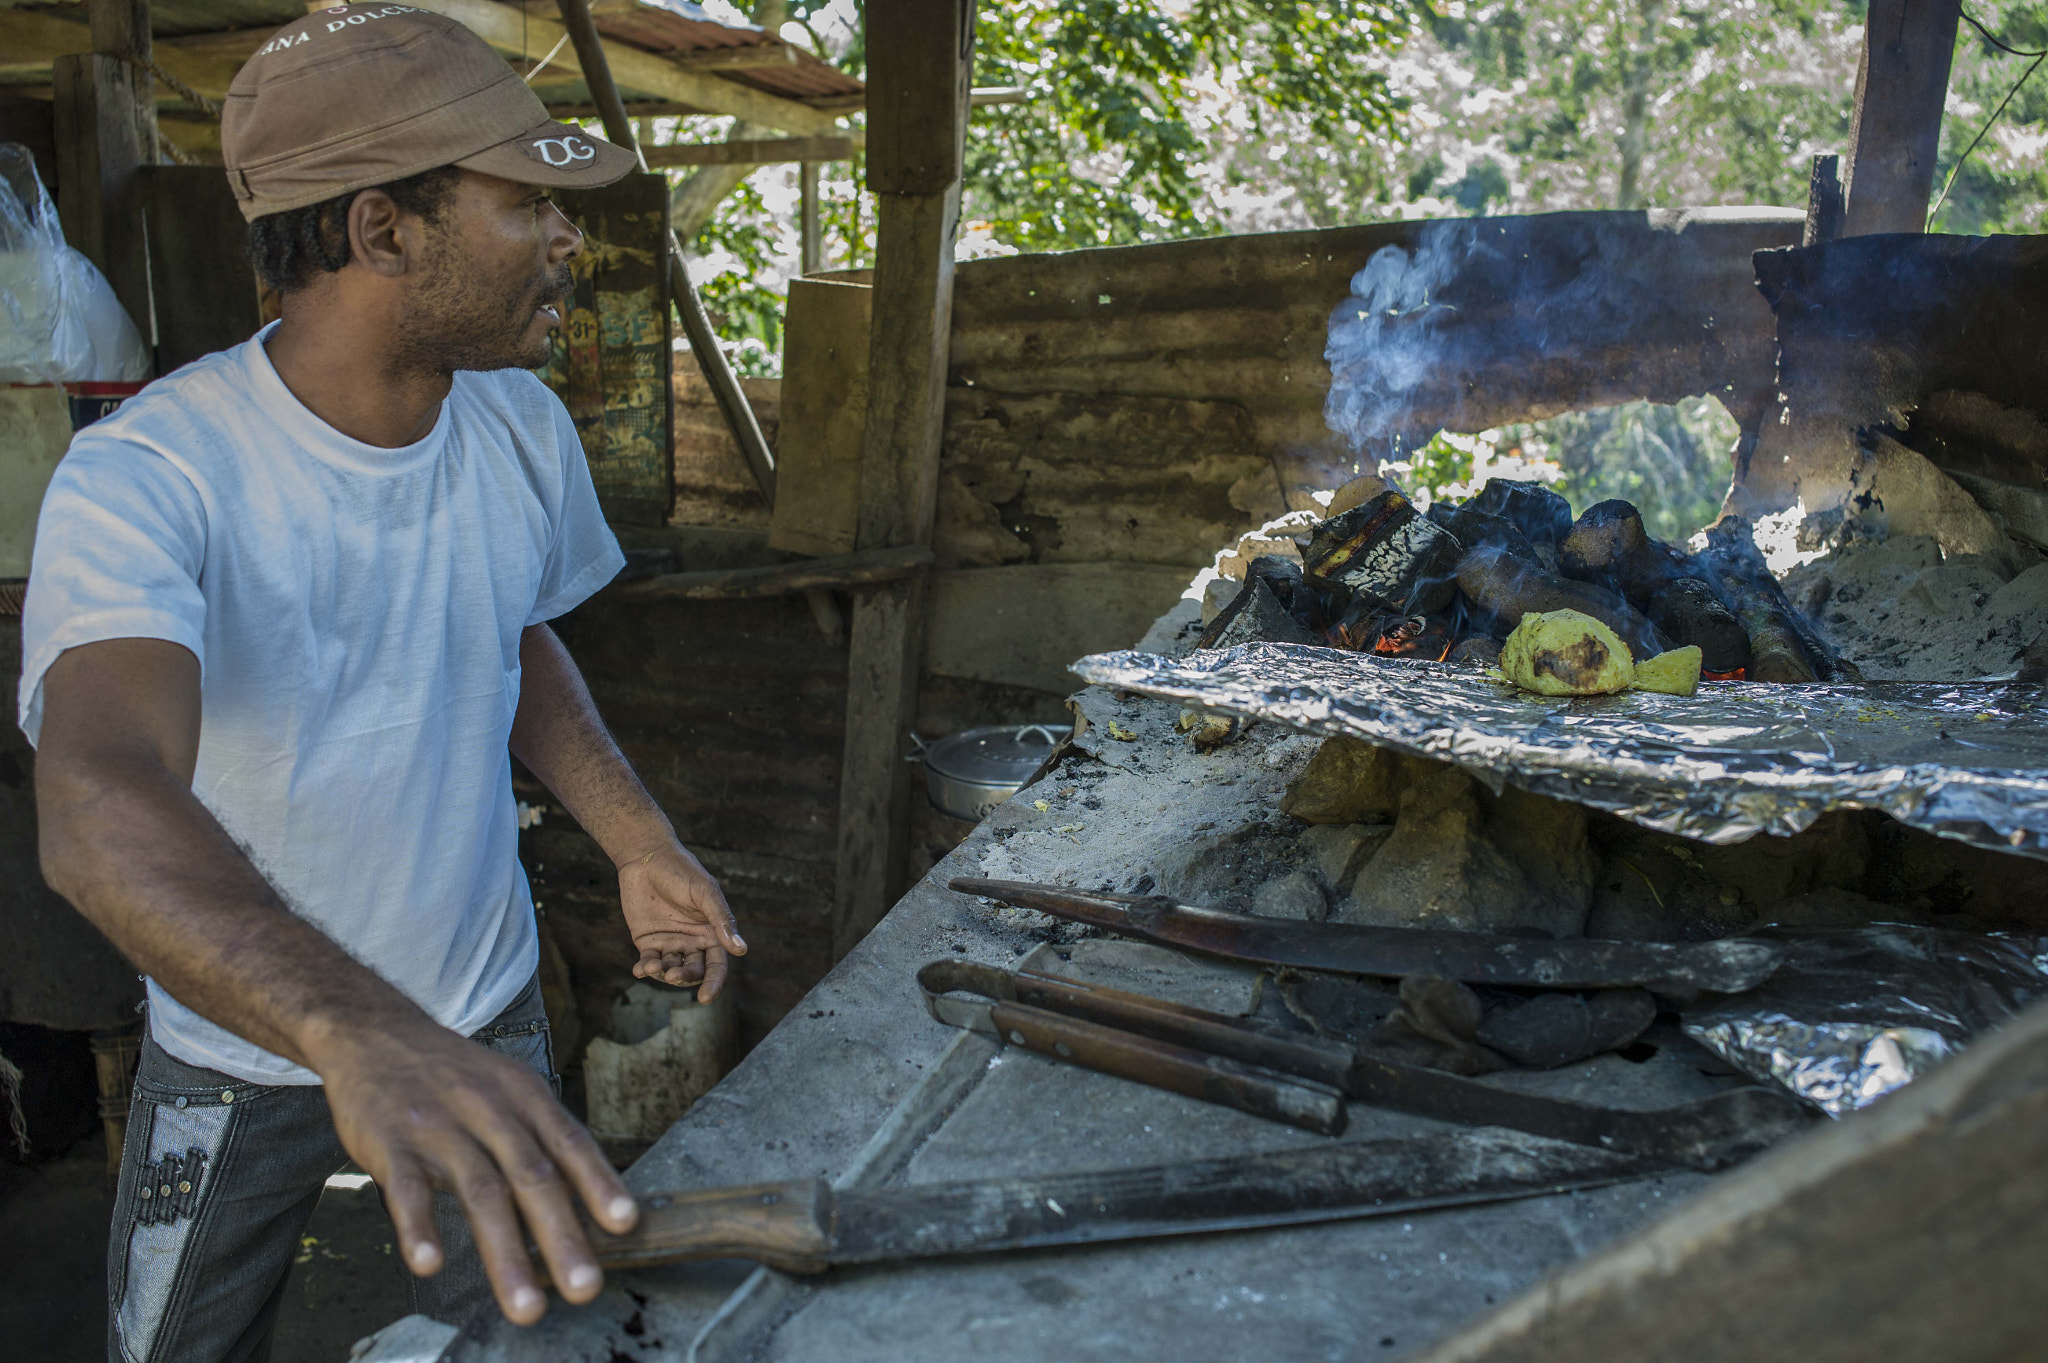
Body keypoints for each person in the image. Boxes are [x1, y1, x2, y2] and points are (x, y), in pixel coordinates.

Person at [19, 7, 747, 1357]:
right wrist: (353, 1029)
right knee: (172, 1346)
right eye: (528, 204)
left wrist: (637, 837)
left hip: (482, 1009)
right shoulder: (151, 480)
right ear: (379, 231)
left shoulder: (518, 425)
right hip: (241, 1053)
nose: (567, 237)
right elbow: (97, 792)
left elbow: (512, 634)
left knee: (529, 1333)